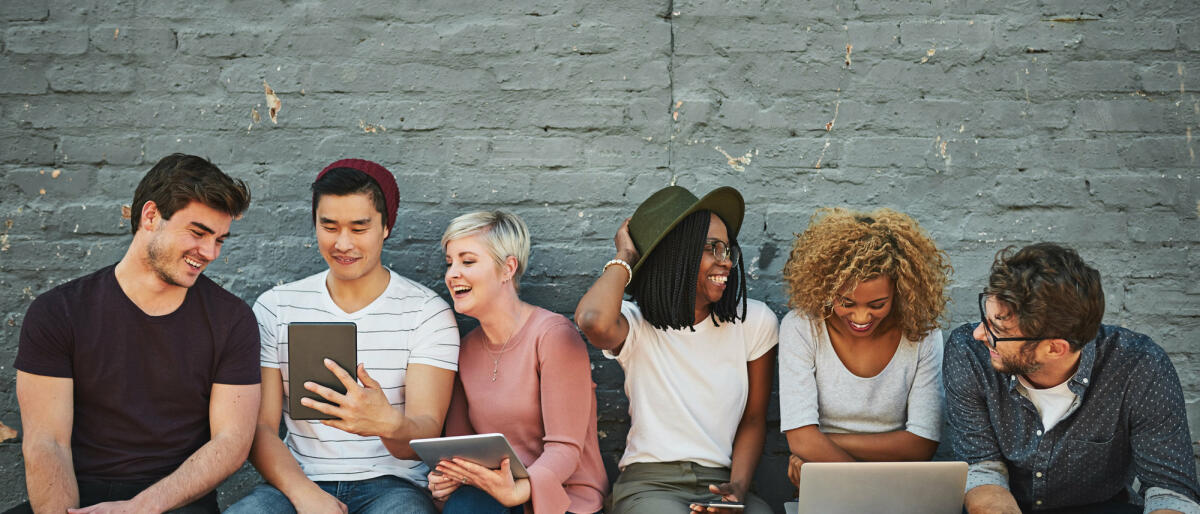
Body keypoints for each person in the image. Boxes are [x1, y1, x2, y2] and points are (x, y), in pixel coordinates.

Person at [12, 154, 258, 513]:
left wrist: (140, 508)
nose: (209, 252)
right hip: (76, 499)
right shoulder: (58, 312)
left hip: (176, 500)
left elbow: (231, 442)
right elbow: (46, 443)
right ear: (150, 216)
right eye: (198, 233)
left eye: (219, 239)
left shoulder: (232, 319)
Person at [227, 159, 459, 513]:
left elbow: (425, 433)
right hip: (298, 479)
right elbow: (261, 428)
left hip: (393, 487)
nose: (343, 243)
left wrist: (388, 423)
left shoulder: (426, 312)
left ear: (385, 227)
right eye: (329, 226)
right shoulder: (277, 307)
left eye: (359, 227)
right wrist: (304, 494)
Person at [944, 243, 1200, 514]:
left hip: (1102, 507)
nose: (980, 334)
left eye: (998, 329)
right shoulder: (969, 352)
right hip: (1003, 502)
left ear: (1054, 348)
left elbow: (1170, 493)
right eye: (986, 317)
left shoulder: (1141, 367)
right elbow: (982, 467)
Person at [574, 185, 777, 514]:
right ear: (678, 253)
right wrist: (625, 256)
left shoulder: (753, 321)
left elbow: (754, 418)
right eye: (713, 248)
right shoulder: (636, 323)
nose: (725, 262)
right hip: (651, 484)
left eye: (728, 251)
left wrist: (737, 489)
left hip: (723, 481)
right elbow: (592, 320)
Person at [426, 211, 608, 514]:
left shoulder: (553, 336)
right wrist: (447, 477)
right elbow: (460, 449)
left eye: (467, 261)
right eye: (450, 262)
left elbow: (565, 450)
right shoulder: (464, 349)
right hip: (493, 494)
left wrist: (518, 491)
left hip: (563, 497)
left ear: (508, 268)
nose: (452, 273)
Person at [778, 208, 951, 485]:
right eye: (847, 303)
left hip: (895, 487)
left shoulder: (922, 334)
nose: (861, 318)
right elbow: (800, 439)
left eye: (877, 305)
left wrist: (819, 445)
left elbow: (922, 444)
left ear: (900, 291)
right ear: (827, 290)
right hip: (829, 487)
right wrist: (865, 485)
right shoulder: (803, 328)